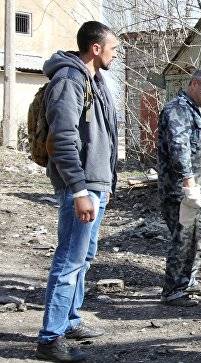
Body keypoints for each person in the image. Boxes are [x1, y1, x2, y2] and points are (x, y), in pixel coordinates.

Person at [36, 21, 119, 362]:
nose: (116, 54)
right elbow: (64, 140)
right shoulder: (69, 80)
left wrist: (104, 185)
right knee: (69, 261)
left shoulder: (93, 80)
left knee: (83, 259)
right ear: (95, 48)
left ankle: (69, 320)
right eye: (112, 48)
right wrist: (80, 189)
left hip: (95, 184)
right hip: (80, 187)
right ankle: (49, 338)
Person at [157, 66, 201, 307]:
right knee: (183, 238)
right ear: (193, 84)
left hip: (194, 189)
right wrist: (188, 183)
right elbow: (178, 147)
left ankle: (187, 280)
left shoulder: (194, 110)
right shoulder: (178, 110)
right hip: (180, 190)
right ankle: (173, 290)